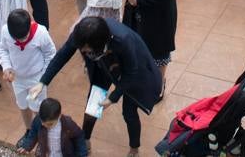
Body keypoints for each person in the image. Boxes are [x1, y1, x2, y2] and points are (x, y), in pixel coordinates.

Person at [32, 17, 162, 157]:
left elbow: (131, 73)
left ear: (99, 45)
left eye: (86, 50)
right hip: (103, 66)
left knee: (129, 113)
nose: (82, 51)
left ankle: (134, 148)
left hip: (130, 70)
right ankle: (85, 139)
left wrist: (113, 98)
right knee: (92, 107)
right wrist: (43, 82)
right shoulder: (80, 34)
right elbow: (62, 55)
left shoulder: (123, 40)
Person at [0, 8, 57, 132]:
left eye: (24, 37)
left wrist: (43, 78)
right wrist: (7, 67)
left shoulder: (41, 33)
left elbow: (50, 54)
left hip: (37, 78)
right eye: (17, 39)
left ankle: (40, 133)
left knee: (38, 108)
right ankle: (29, 130)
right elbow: (3, 49)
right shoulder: (4, 31)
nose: (21, 41)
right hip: (17, 79)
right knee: (22, 105)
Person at [17, 97, 89, 157]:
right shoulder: (38, 120)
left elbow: (79, 136)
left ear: (59, 116)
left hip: (64, 154)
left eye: (49, 124)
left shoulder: (68, 124)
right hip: (46, 153)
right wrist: (26, 146)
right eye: (42, 122)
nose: (43, 125)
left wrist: (81, 154)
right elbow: (33, 134)